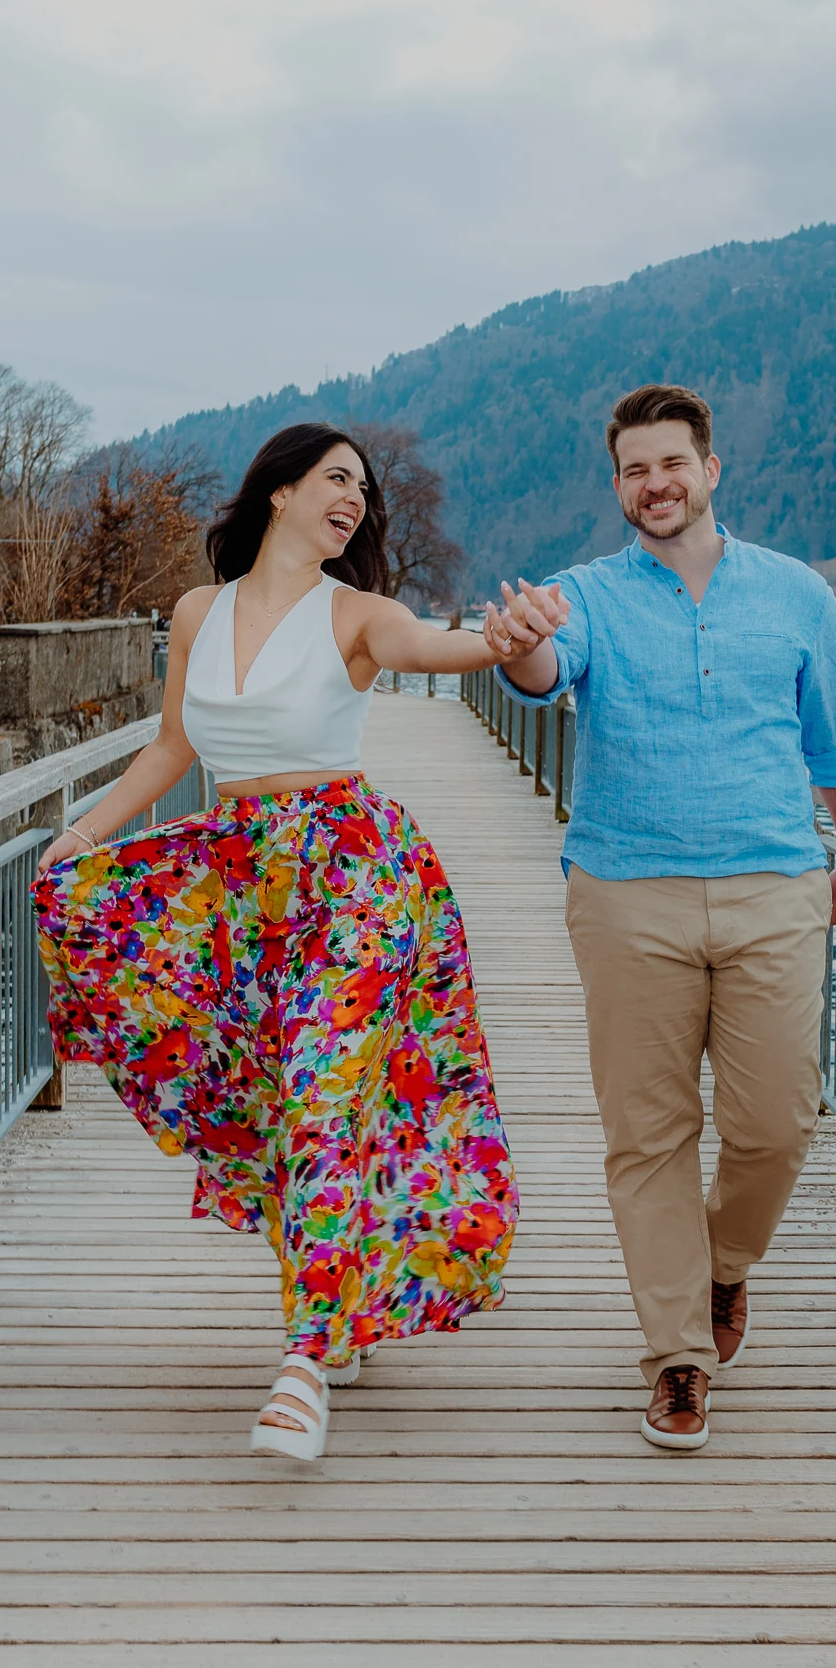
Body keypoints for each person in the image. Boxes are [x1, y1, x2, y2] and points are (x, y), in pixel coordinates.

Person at [34, 423, 522, 1463]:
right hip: (239, 887)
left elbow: (442, 648)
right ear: (279, 492)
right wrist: (82, 835)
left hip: (353, 879)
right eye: (333, 480)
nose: (352, 499)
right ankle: (335, 1292)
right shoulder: (198, 612)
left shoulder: (361, 615)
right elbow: (174, 746)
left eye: (363, 489)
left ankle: (304, 1363)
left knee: (319, 1089)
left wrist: (505, 638)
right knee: (276, 1102)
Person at [489, 384, 836, 1453]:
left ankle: (723, 1267)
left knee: (776, 1123)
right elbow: (539, 672)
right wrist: (517, 640)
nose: (653, 484)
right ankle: (675, 1357)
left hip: (774, 890)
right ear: (617, 485)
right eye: (632, 470)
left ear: (712, 470)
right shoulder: (582, 596)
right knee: (648, 1133)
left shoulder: (799, 597)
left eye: (671, 464)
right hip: (626, 896)